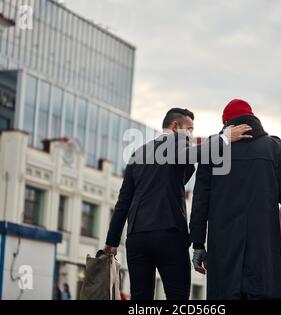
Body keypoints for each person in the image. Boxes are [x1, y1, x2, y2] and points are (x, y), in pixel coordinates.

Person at [103, 107, 252, 300]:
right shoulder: (175, 143)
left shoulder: (138, 153)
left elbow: (123, 202)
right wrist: (224, 137)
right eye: (189, 129)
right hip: (169, 234)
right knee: (178, 297)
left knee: (140, 298)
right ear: (175, 126)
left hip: (137, 237)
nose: (191, 134)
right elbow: (196, 154)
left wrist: (112, 241)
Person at [189, 99, 281, 300]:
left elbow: (200, 202)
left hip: (223, 250)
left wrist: (198, 244)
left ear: (226, 123)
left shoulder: (212, 149)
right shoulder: (273, 148)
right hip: (263, 251)